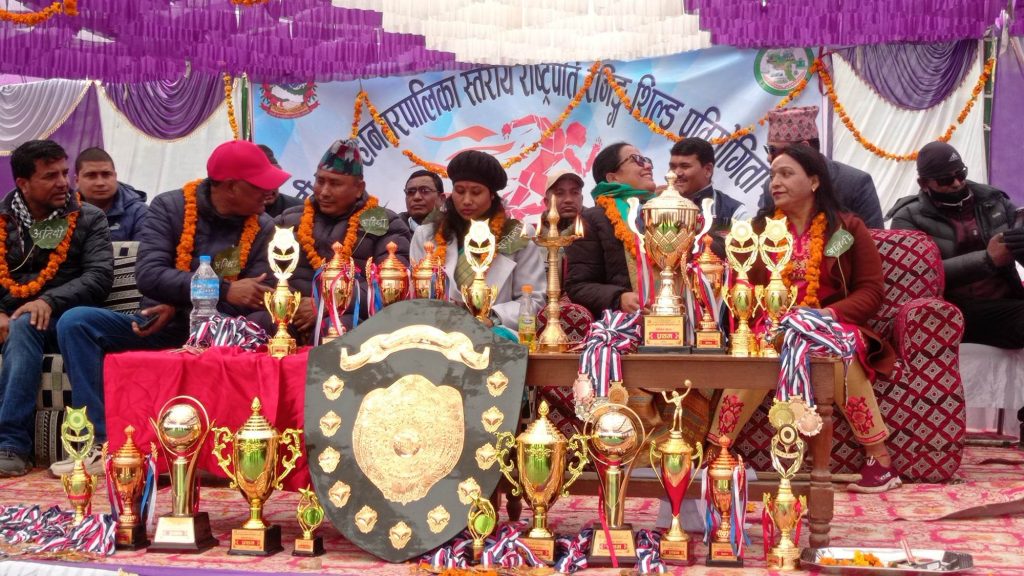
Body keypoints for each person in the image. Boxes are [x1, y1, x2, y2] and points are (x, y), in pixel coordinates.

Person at [50, 140, 287, 476]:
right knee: (77, 322)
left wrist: (180, 304)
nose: (270, 192)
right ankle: (100, 445)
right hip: (158, 325)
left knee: (262, 324)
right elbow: (149, 274)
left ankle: (233, 450)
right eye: (260, 185)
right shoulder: (171, 207)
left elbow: (257, 298)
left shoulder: (263, 227)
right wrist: (224, 290)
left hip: (223, 334)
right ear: (232, 187)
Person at [708, 144, 900, 493]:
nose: (775, 183)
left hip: (831, 326)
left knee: (836, 349)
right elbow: (742, 288)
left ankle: (879, 458)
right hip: (775, 327)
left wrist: (826, 314)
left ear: (814, 181)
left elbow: (871, 291)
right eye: (772, 175)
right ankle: (716, 451)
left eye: (786, 174)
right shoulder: (757, 231)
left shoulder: (845, 230)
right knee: (756, 352)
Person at [0, 140, 113, 477]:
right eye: (50, 176)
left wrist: (48, 300)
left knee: (25, 324)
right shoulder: (2, 220)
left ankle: (10, 445)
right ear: (23, 184)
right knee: (21, 324)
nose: (63, 182)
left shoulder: (88, 217)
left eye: (64, 173)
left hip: (67, 320)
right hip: (11, 319)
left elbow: (99, 277)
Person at [888, 141, 1024, 349]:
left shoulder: (993, 200)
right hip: (952, 311)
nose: (957, 183)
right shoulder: (908, 218)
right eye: (945, 179)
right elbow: (912, 278)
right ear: (923, 183)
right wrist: (987, 260)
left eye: (961, 174)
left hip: (1009, 299)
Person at [274, 138, 411, 337]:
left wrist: (326, 303)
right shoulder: (288, 220)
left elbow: (390, 288)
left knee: (335, 328)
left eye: (335, 184)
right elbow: (266, 275)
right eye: (320, 181)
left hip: (351, 318)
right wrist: (287, 302)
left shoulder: (387, 224)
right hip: (291, 313)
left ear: (359, 188)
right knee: (259, 322)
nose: (324, 192)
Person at [409, 150, 545, 332]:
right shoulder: (426, 235)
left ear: (492, 195)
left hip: (494, 332)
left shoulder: (517, 235)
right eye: (460, 191)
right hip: (436, 331)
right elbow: (414, 294)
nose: (466, 200)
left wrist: (492, 318)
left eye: (476, 192)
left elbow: (533, 299)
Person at [564, 142, 656, 318]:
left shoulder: (665, 211)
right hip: (623, 323)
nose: (647, 165)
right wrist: (619, 298)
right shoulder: (591, 219)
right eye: (636, 159)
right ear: (613, 178)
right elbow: (578, 286)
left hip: (674, 315)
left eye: (646, 159)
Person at [758, 106, 884, 229]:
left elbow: (874, 239)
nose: (769, 157)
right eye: (768, 149)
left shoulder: (854, 183)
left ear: (804, 147)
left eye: (773, 150)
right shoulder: (772, 187)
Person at [668, 137, 747, 258]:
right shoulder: (656, 206)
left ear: (708, 170)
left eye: (685, 166)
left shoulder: (735, 212)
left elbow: (745, 259)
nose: (676, 173)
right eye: (673, 167)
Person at [75, 147, 148, 242]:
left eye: (106, 174)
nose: (100, 183)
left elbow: (146, 250)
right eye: (91, 175)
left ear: (115, 176)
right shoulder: (64, 211)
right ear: (77, 180)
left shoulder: (139, 212)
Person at [257, 144, 302, 218]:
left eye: (274, 179)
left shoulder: (300, 210)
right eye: (262, 181)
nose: (269, 189)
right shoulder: (237, 211)